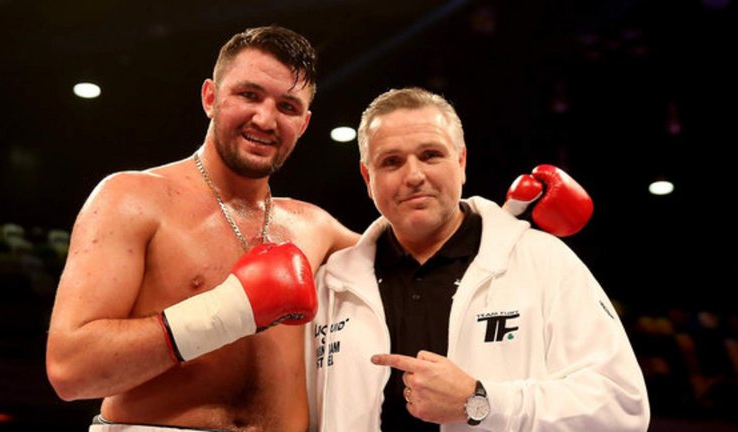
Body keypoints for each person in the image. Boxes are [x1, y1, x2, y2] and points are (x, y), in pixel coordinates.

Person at [46, 25, 359, 432]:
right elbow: (70, 369)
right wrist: (228, 311)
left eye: (287, 106)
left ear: (303, 123)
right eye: (249, 95)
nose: (265, 118)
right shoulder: (131, 199)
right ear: (210, 97)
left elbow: (421, 256)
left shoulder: (317, 229)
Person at [306, 87, 650, 431]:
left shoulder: (543, 262)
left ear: (461, 162)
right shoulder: (330, 287)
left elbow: (622, 408)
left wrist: (480, 399)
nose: (413, 176)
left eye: (430, 155)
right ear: (368, 178)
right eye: (391, 161)